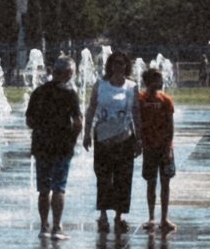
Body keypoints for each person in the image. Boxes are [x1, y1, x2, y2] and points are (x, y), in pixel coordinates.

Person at [83, 50, 141, 234]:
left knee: (123, 177)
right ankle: (103, 214)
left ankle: (119, 215)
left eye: (122, 63)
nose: (119, 66)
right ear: (110, 65)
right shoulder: (100, 85)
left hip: (124, 138)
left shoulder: (132, 87)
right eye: (115, 63)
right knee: (103, 176)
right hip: (103, 137)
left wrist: (139, 138)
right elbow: (91, 109)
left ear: (126, 66)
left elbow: (136, 113)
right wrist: (86, 132)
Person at [24, 54, 81, 237]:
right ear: (69, 73)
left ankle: (43, 227)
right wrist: (73, 138)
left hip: (41, 146)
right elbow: (78, 121)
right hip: (62, 146)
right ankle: (57, 227)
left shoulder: (38, 92)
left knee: (43, 189)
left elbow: (29, 120)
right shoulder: (70, 94)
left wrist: (42, 129)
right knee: (59, 187)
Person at [138, 67, 177, 233]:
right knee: (151, 183)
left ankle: (164, 217)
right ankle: (151, 217)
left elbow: (170, 125)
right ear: (149, 82)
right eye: (158, 79)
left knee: (165, 183)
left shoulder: (166, 100)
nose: (161, 82)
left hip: (164, 147)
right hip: (149, 147)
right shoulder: (140, 99)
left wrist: (169, 147)